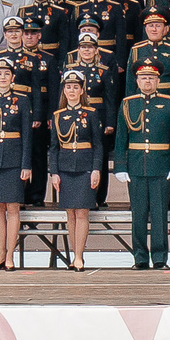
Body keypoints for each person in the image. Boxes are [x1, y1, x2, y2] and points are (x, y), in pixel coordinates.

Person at [115, 59, 170, 271]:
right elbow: (121, 138)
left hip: (161, 167)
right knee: (139, 215)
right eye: (143, 77)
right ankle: (140, 258)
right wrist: (120, 166)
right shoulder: (128, 103)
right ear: (136, 80)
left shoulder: (169, 103)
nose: (147, 81)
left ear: (158, 80)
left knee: (160, 215)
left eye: (151, 78)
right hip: (136, 167)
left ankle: (160, 258)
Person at [0, 61, 34, 269]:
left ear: (13, 77)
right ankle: (0, 253)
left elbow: (28, 136)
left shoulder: (21, 100)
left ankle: (11, 254)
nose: (2, 77)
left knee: (13, 208)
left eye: (6, 74)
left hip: (14, 159)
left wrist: (26, 164)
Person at [48, 68, 104, 268]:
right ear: (64, 90)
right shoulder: (57, 115)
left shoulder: (91, 113)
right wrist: (54, 172)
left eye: (75, 87)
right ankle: (74, 254)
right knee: (70, 213)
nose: (71, 91)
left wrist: (96, 169)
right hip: (65, 168)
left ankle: (79, 256)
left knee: (82, 212)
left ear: (82, 90)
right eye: (68, 87)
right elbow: (53, 147)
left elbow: (98, 144)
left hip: (85, 166)